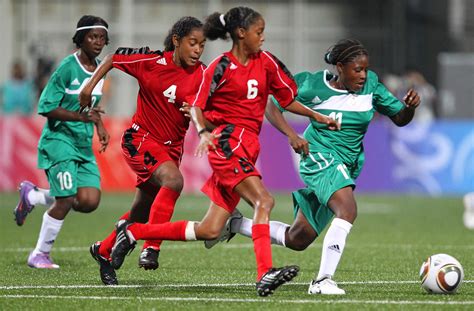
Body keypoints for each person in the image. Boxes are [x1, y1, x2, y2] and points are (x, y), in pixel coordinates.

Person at [109, 6, 339, 297]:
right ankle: (264, 273)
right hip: (228, 145)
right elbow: (197, 106)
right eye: (259, 32)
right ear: (241, 34)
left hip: (249, 146)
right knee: (263, 201)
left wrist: (316, 117)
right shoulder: (219, 67)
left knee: (210, 229)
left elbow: (284, 99)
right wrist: (204, 131)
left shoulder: (267, 62)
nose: (263, 38)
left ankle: (135, 232)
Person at [209, 39, 421, 295]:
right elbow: (272, 105)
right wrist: (291, 135)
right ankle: (322, 281)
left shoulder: (371, 86)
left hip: (348, 163)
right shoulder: (311, 84)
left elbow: (399, 118)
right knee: (347, 209)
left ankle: (233, 225)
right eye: (357, 70)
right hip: (319, 155)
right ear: (340, 68)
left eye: (365, 69)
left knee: (298, 238)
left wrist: (409, 108)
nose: (363, 75)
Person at [79, 16, 207, 285]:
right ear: (176, 41)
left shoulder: (204, 75)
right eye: (192, 43)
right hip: (140, 139)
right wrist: (90, 86)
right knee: (174, 180)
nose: (197, 50)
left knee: (141, 212)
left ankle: (102, 251)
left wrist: (200, 114)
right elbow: (114, 58)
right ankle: (151, 246)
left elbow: (213, 112)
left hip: (171, 151)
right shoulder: (150, 61)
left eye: (202, 45)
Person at [13, 15, 110, 269]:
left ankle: (33, 196)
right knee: (66, 199)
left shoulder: (100, 69)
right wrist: (82, 117)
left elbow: (93, 106)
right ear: (80, 39)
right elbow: (46, 106)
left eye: (102, 37)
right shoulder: (68, 67)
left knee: (89, 201)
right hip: (59, 140)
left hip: (82, 143)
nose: (98, 42)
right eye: (92, 37)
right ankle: (39, 254)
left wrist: (99, 125)